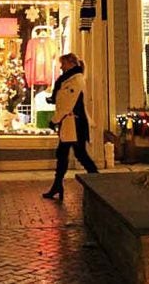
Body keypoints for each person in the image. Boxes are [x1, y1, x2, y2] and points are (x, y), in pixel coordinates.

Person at [43, 53, 99, 200]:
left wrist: (55, 120)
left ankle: (98, 181)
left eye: (63, 63)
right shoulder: (69, 79)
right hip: (69, 123)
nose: (61, 67)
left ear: (70, 63)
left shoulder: (76, 80)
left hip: (75, 123)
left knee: (79, 154)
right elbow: (63, 101)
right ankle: (57, 185)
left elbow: (68, 103)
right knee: (63, 154)